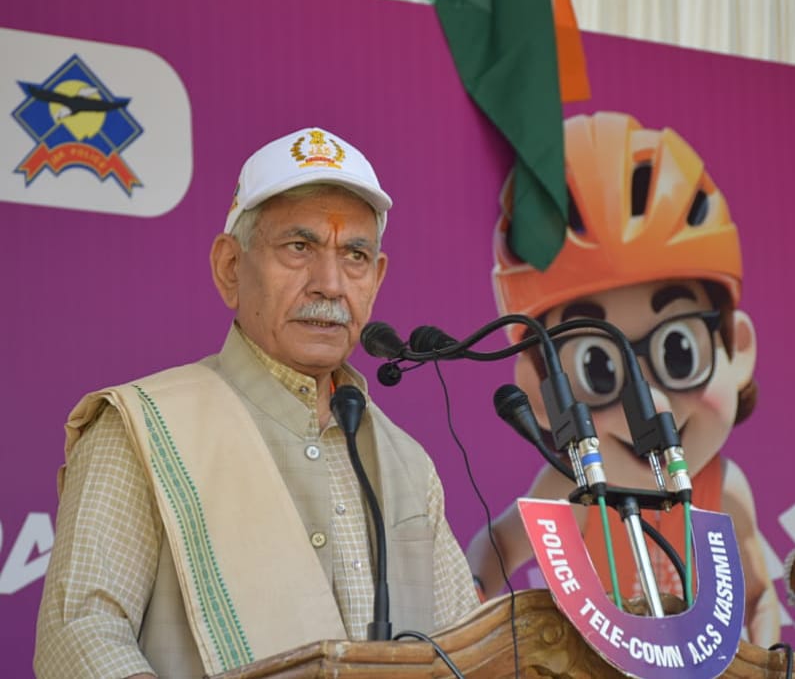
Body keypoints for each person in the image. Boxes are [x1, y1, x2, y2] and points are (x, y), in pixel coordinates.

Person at [34, 127, 480, 679]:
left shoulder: (407, 465)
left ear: (377, 278)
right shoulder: (142, 427)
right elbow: (80, 636)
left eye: (355, 255)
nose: (330, 284)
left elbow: (470, 654)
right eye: (299, 248)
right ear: (230, 268)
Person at [466, 112, 780, 646]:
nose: (650, 401)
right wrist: (468, 622)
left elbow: (758, 596)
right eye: (598, 367)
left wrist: (772, 657)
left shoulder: (723, 490)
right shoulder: (569, 490)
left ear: (738, 350)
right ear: (541, 392)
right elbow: (496, 546)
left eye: (678, 352)